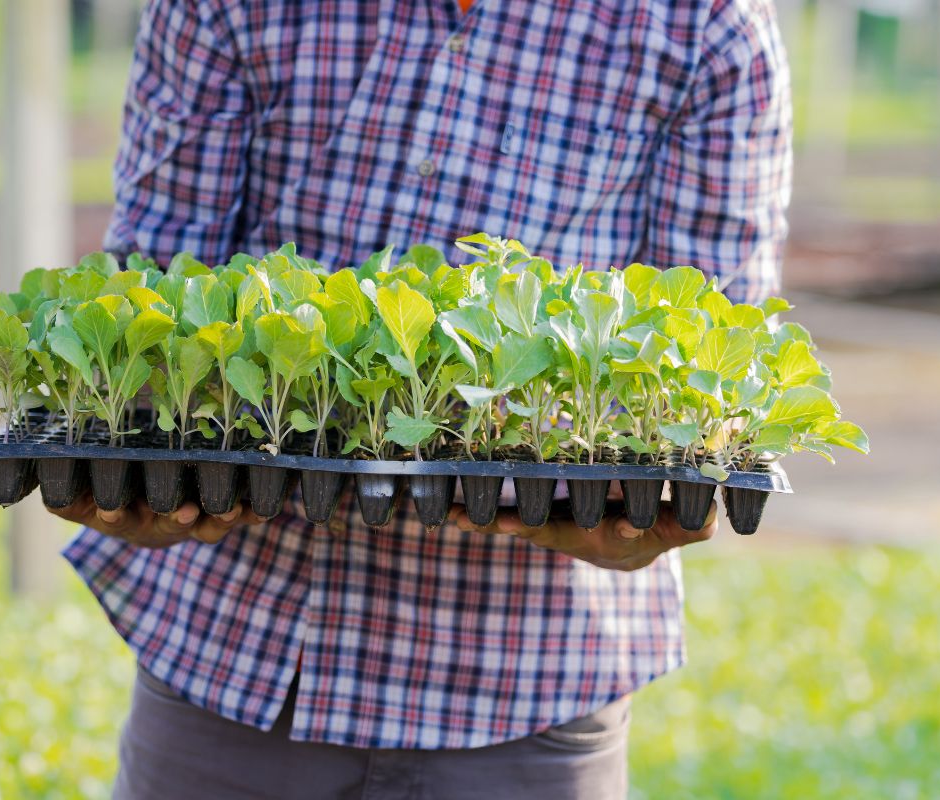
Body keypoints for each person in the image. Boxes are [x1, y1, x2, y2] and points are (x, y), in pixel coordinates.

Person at [50, 0, 791, 796]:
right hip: (242, 655)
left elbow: (710, 351)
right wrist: (131, 465)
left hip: (530, 683)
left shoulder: (708, 23)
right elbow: (154, 290)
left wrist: (658, 503)